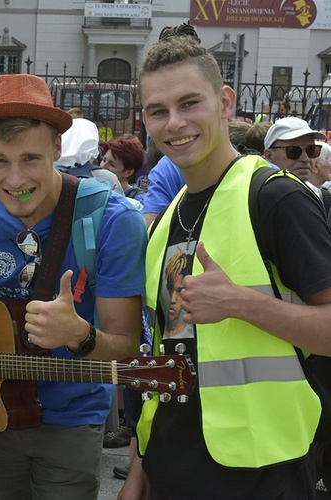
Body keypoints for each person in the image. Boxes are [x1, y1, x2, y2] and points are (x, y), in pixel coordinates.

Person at [0, 74, 147, 499]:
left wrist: (80, 336)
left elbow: (126, 344)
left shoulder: (113, 220)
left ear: (57, 148)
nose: (15, 180)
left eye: (31, 159)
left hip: (72, 417)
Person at [120, 27, 331, 500]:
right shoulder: (167, 220)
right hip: (174, 465)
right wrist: (139, 468)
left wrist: (240, 303)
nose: (174, 123)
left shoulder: (276, 198)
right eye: (158, 111)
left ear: (226, 102)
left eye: (189, 103)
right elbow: (169, 357)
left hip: (267, 470)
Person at [263, 116, 325, 182]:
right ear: (269, 155)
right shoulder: (261, 190)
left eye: (311, 150)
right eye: (294, 151)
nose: (305, 159)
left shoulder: (316, 191)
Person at [99, 136, 146, 203]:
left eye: (112, 165)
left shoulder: (138, 200)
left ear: (128, 172)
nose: (103, 166)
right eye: (104, 160)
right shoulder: (96, 189)